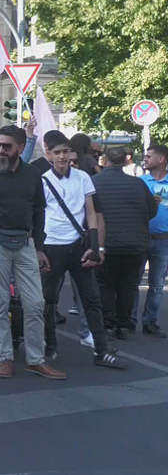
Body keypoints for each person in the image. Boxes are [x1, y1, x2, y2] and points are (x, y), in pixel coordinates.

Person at [0, 125, 65, 380]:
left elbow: (40, 212)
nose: (0, 150)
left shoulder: (32, 175)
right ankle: (4, 357)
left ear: (20, 148)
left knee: (35, 303)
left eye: (6, 146)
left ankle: (35, 360)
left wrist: (39, 247)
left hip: (26, 243)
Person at [38, 132, 125, 369]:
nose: (62, 156)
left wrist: (95, 247)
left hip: (78, 245)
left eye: (65, 151)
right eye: (57, 152)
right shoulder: (43, 180)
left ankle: (101, 349)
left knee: (92, 298)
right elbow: (37, 217)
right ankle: (50, 345)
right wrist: (38, 249)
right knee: (48, 301)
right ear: (48, 154)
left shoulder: (83, 177)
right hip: (52, 245)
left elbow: (91, 213)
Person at [91, 147, 158, 339]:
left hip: (107, 243)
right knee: (128, 285)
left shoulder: (94, 182)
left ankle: (109, 323)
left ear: (106, 161)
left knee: (105, 285)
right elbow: (151, 210)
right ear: (125, 161)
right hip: (135, 244)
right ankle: (124, 324)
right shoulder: (138, 184)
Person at [137, 144, 168, 338]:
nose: (145, 159)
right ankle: (128, 320)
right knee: (133, 282)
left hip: (163, 240)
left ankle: (150, 321)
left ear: (161, 159)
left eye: (149, 156)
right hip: (140, 238)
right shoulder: (140, 182)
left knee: (157, 285)